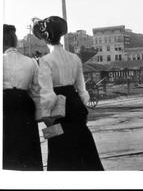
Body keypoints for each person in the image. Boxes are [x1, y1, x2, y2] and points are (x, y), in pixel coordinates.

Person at [32, 16, 104, 171]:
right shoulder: (75, 58)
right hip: (76, 107)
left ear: (45, 38)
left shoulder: (45, 61)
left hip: (58, 110)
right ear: (60, 36)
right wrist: (79, 106)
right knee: (84, 152)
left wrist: (47, 118)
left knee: (59, 152)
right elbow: (82, 90)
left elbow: (47, 94)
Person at [3, 24, 43, 171]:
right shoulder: (31, 61)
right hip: (24, 103)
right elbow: (37, 89)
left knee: (6, 143)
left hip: (4, 103)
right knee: (27, 143)